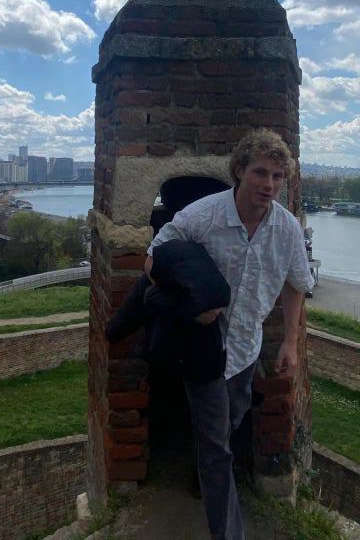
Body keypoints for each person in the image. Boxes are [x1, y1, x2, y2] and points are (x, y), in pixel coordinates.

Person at [145, 128, 314, 540]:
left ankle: (204, 463)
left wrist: (290, 342)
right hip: (203, 347)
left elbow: (296, 283)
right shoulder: (203, 216)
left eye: (277, 176)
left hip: (245, 349)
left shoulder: (287, 229)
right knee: (219, 452)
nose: (269, 184)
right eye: (260, 173)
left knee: (230, 423)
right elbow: (153, 259)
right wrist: (193, 301)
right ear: (240, 171)